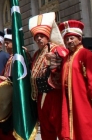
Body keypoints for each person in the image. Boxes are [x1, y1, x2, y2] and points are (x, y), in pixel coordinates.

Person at [53, 20, 92, 140]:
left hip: (84, 99)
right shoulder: (66, 57)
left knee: (87, 128)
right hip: (69, 99)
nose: (69, 41)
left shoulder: (86, 55)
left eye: (72, 38)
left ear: (79, 39)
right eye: (67, 39)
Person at [29, 12, 68, 140]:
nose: (39, 39)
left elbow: (67, 65)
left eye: (41, 36)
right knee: (46, 130)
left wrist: (56, 61)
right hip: (40, 96)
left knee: (60, 128)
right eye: (36, 37)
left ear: (47, 36)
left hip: (55, 95)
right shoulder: (36, 54)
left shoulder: (57, 49)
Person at [0, 31, 16, 140]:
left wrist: (6, 79)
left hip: (15, 94)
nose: (5, 45)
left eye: (7, 43)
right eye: (5, 43)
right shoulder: (10, 57)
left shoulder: (18, 56)